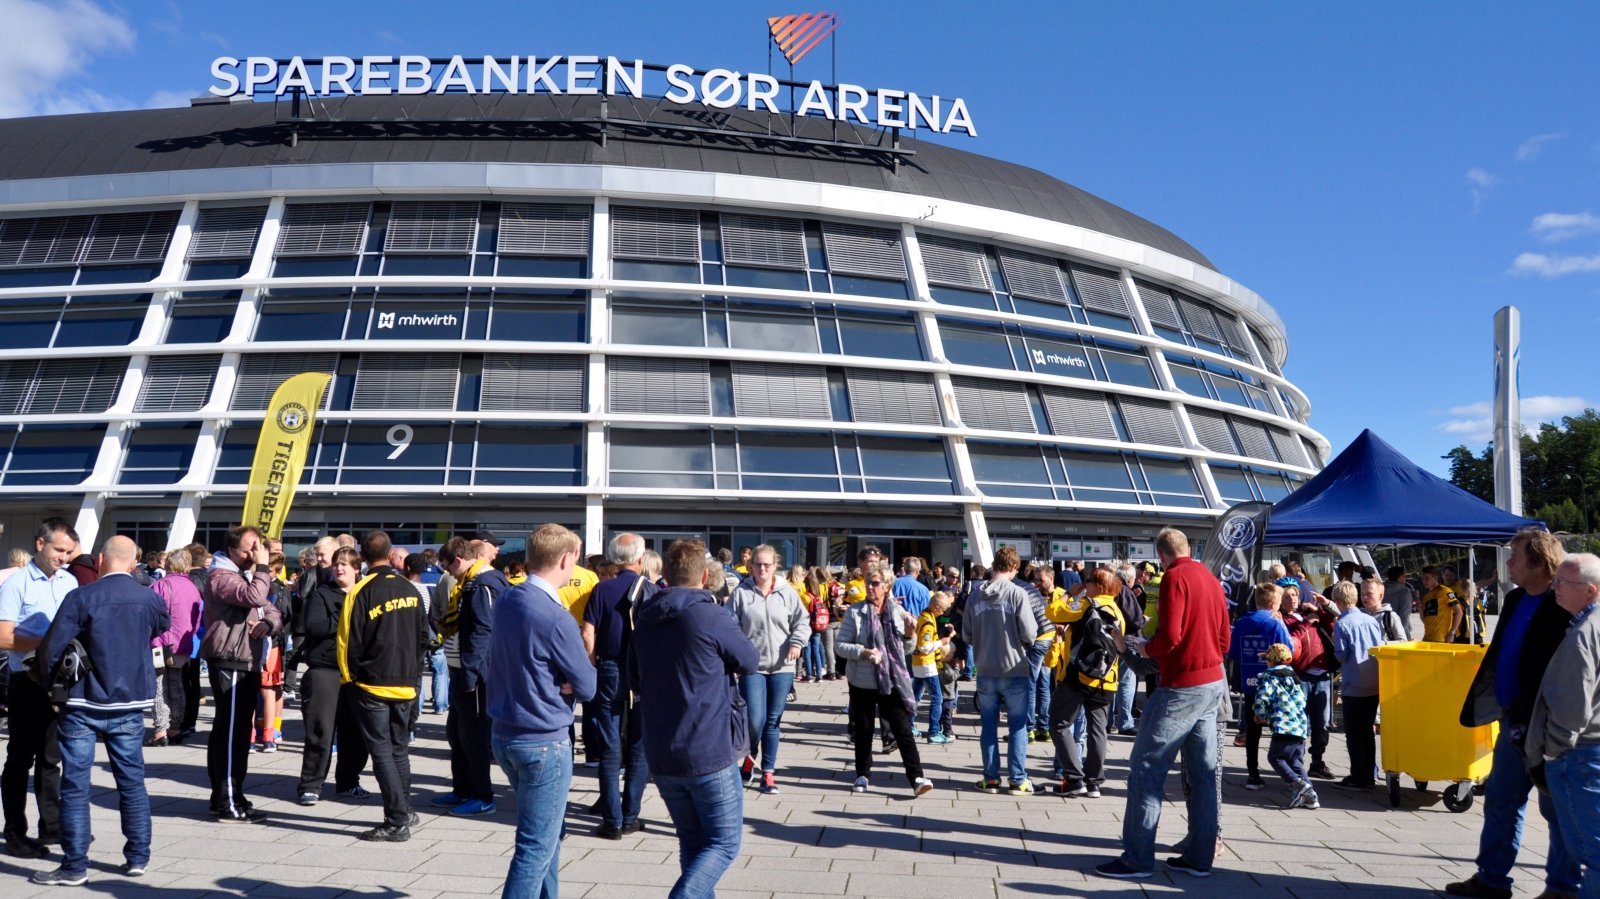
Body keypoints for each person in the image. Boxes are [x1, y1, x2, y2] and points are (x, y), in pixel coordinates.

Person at [28, 536, 168, 887]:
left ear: (101, 559)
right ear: (134, 563)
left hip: (83, 700)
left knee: (76, 784)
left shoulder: (82, 597)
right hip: (131, 700)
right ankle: (138, 857)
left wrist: (48, 684)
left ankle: (75, 865)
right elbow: (162, 627)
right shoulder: (149, 596)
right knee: (132, 781)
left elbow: (53, 646)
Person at [1448, 528, 1579, 899]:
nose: (1508, 563)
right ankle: (1491, 878)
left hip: (1548, 726)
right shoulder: (1516, 598)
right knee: (1502, 801)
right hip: (1511, 721)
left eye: (1515, 556)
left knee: (1556, 811)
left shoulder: (1562, 604)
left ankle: (1562, 889)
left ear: (1538, 562)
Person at [1097, 527, 1230, 880]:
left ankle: (1137, 859)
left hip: (1180, 686)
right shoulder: (1209, 577)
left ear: (1161, 556)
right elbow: (1224, 638)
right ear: (1188, 548)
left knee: (1146, 769)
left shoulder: (1173, 578)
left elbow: (1170, 636)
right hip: (1212, 681)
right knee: (1203, 774)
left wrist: (1145, 648)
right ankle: (1200, 858)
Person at [632, 540, 758, 899]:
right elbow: (748, 659)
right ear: (705, 576)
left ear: (666, 575)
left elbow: (634, 675)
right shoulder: (709, 614)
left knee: (692, 842)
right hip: (707, 748)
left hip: (662, 748)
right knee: (722, 843)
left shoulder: (645, 617)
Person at [338, 531, 429, 842]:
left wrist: (349, 679)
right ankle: (405, 809)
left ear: (362, 556)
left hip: (372, 683)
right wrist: (414, 675)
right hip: (405, 682)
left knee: (382, 753)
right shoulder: (411, 589)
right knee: (399, 750)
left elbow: (347, 642)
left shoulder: (359, 592)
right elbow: (423, 638)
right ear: (391, 555)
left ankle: (396, 819)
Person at [0, 518, 78, 856]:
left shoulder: (69, 581)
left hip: (58, 682)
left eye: (69, 552)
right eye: (59, 550)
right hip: (26, 681)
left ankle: (52, 828)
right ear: (40, 544)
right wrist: (49, 642)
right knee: (20, 759)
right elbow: (3, 636)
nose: (64, 557)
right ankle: (15, 831)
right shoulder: (16, 583)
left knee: (51, 758)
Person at [1527, 553, 1600, 899]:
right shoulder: (1587, 625)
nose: (1554, 587)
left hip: (1580, 755)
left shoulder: (1584, 633)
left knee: (1592, 854)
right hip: (1586, 751)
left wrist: (1554, 750)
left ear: (1590, 591)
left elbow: (1572, 708)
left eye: (1563, 583)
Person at [200, 526, 282, 823]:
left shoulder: (243, 575)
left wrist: (268, 626)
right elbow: (255, 596)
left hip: (246, 659)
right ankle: (228, 801)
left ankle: (227, 795)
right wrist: (262, 565)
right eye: (249, 548)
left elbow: (272, 609)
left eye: (258, 547)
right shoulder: (221, 576)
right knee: (232, 735)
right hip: (230, 659)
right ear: (232, 549)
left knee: (230, 732)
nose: (254, 553)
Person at [581, 532, 657, 839]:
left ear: (614, 558)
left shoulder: (602, 589)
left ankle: (611, 821)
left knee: (610, 747)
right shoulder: (651, 590)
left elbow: (588, 633)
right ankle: (630, 816)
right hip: (643, 672)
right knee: (639, 745)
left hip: (609, 667)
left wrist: (593, 664)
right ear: (640, 559)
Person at [836, 561, 934, 796]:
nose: (870, 587)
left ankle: (917, 777)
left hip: (891, 680)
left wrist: (911, 633)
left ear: (887, 586)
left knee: (902, 729)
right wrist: (863, 652)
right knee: (864, 729)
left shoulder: (897, 612)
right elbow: (840, 646)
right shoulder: (855, 612)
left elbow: (907, 649)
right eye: (868, 582)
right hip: (862, 680)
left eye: (875, 583)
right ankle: (862, 774)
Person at [433, 536, 508, 816]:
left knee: (473, 737)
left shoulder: (481, 585)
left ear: (459, 561)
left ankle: (482, 795)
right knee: (457, 734)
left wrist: (470, 672)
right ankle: (462, 789)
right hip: (461, 670)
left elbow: (482, 632)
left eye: (447, 566)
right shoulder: (469, 583)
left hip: (473, 674)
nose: (447, 572)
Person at [727, 544, 809, 794]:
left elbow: (802, 622)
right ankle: (749, 757)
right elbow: (729, 627)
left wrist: (796, 643)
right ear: (750, 566)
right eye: (758, 564)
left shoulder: (787, 592)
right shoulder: (741, 593)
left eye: (767, 564)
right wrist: (737, 657)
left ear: (776, 566)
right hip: (752, 667)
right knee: (755, 720)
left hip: (783, 667)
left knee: (772, 721)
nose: (762, 569)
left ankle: (768, 773)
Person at [963, 546, 1041, 795]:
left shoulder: (975, 596)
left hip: (985, 667)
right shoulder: (1018, 593)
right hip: (1014, 667)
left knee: (988, 725)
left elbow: (967, 634)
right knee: (1018, 726)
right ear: (1014, 568)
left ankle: (991, 778)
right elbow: (1030, 633)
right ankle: (1018, 780)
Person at [1045, 567, 1128, 798]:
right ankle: (1094, 783)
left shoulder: (1085, 605)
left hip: (1078, 677)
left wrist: (1069, 594)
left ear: (1097, 585)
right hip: (1106, 679)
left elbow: (1053, 612)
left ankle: (1074, 778)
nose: (1084, 584)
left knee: (1059, 723)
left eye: (1087, 581)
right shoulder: (1116, 611)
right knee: (1098, 730)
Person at [297, 546, 370, 805]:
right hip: (325, 670)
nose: (339, 568)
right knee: (321, 730)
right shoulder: (322, 594)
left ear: (356, 569)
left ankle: (349, 781)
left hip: (357, 673)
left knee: (356, 734)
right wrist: (347, 617)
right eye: (337, 563)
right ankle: (311, 784)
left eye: (345, 564)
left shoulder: (365, 594)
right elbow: (315, 626)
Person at [1229, 582, 1293, 790]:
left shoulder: (1242, 622)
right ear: (1274, 603)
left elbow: (1232, 652)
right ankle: (1287, 771)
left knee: (1252, 729)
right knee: (1281, 727)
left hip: (1249, 683)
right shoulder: (1276, 623)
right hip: (1274, 683)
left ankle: (1253, 773)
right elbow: (1288, 651)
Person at [1282, 577, 1338, 781]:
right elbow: (1290, 641)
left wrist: (1321, 610)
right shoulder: (1283, 619)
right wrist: (1307, 622)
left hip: (1321, 674)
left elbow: (1332, 624)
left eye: (1295, 595)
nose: (1292, 599)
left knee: (1321, 723)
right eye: (1287, 596)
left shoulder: (1307, 613)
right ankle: (1296, 763)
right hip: (1300, 675)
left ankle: (1317, 761)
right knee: (1300, 723)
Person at [1252, 643, 1320, 811]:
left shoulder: (1269, 676)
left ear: (1272, 661)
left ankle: (1295, 783)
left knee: (1275, 757)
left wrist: (1260, 714)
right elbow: (1302, 700)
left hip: (1283, 725)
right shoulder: (1294, 677)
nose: (1266, 662)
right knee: (1296, 761)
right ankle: (1310, 796)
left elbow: (1263, 697)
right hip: (1299, 726)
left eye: (1267, 659)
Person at [1330, 580, 1384, 790]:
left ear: (1338, 601)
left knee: (1353, 733)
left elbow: (1342, 655)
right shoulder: (1370, 620)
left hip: (1354, 683)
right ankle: (1369, 773)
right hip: (1373, 682)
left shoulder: (1342, 624)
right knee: (1368, 731)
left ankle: (1357, 775)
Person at [148, 548, 203, 748]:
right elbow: (197, 618)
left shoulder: (160, 585)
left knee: (159, 685)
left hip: (160, 642)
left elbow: (151, 615)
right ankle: (176, 727)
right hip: (183, 643)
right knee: (177, 683)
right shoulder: (193, 588)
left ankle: (160, 729)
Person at [911, 591, 955, 744]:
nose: (943, 613)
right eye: (942, 610)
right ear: (936, 607)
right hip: (926, 663)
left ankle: (909, 725)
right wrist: (941, 643)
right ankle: (934, 732)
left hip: (918, 662)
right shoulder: (929, 623)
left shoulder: (924, 616)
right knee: (937, 698)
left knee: (915, 695)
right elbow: (924, 646)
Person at [1420, 565, 1464, 643]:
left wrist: (1452, 632)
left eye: (1427, 578)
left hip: (1442, 639)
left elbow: (1459, 612)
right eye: (1423, 579)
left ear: (1436, 578)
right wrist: (1420, 609)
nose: (1424, 581)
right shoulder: (1426, 597)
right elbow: (1425, 619)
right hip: (1427, 638)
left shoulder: (1446, 591)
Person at [1360, 577, 1407, 643]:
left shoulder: (1389, 616)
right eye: (1362, 594)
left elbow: (1403, 641)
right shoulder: (1359, 615)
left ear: (1381, 596)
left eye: (1369, 593)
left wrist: (1381, 644)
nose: (1364, 597)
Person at [1384, 565, 1416, 640]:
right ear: (1400, 577)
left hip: (1383, 632)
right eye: (1404, 576)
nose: (1405, 579)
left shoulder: (1381, 590)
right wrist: (1406, 637)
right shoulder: (1404, 592)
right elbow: (1404, 616)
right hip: (1399, 633)